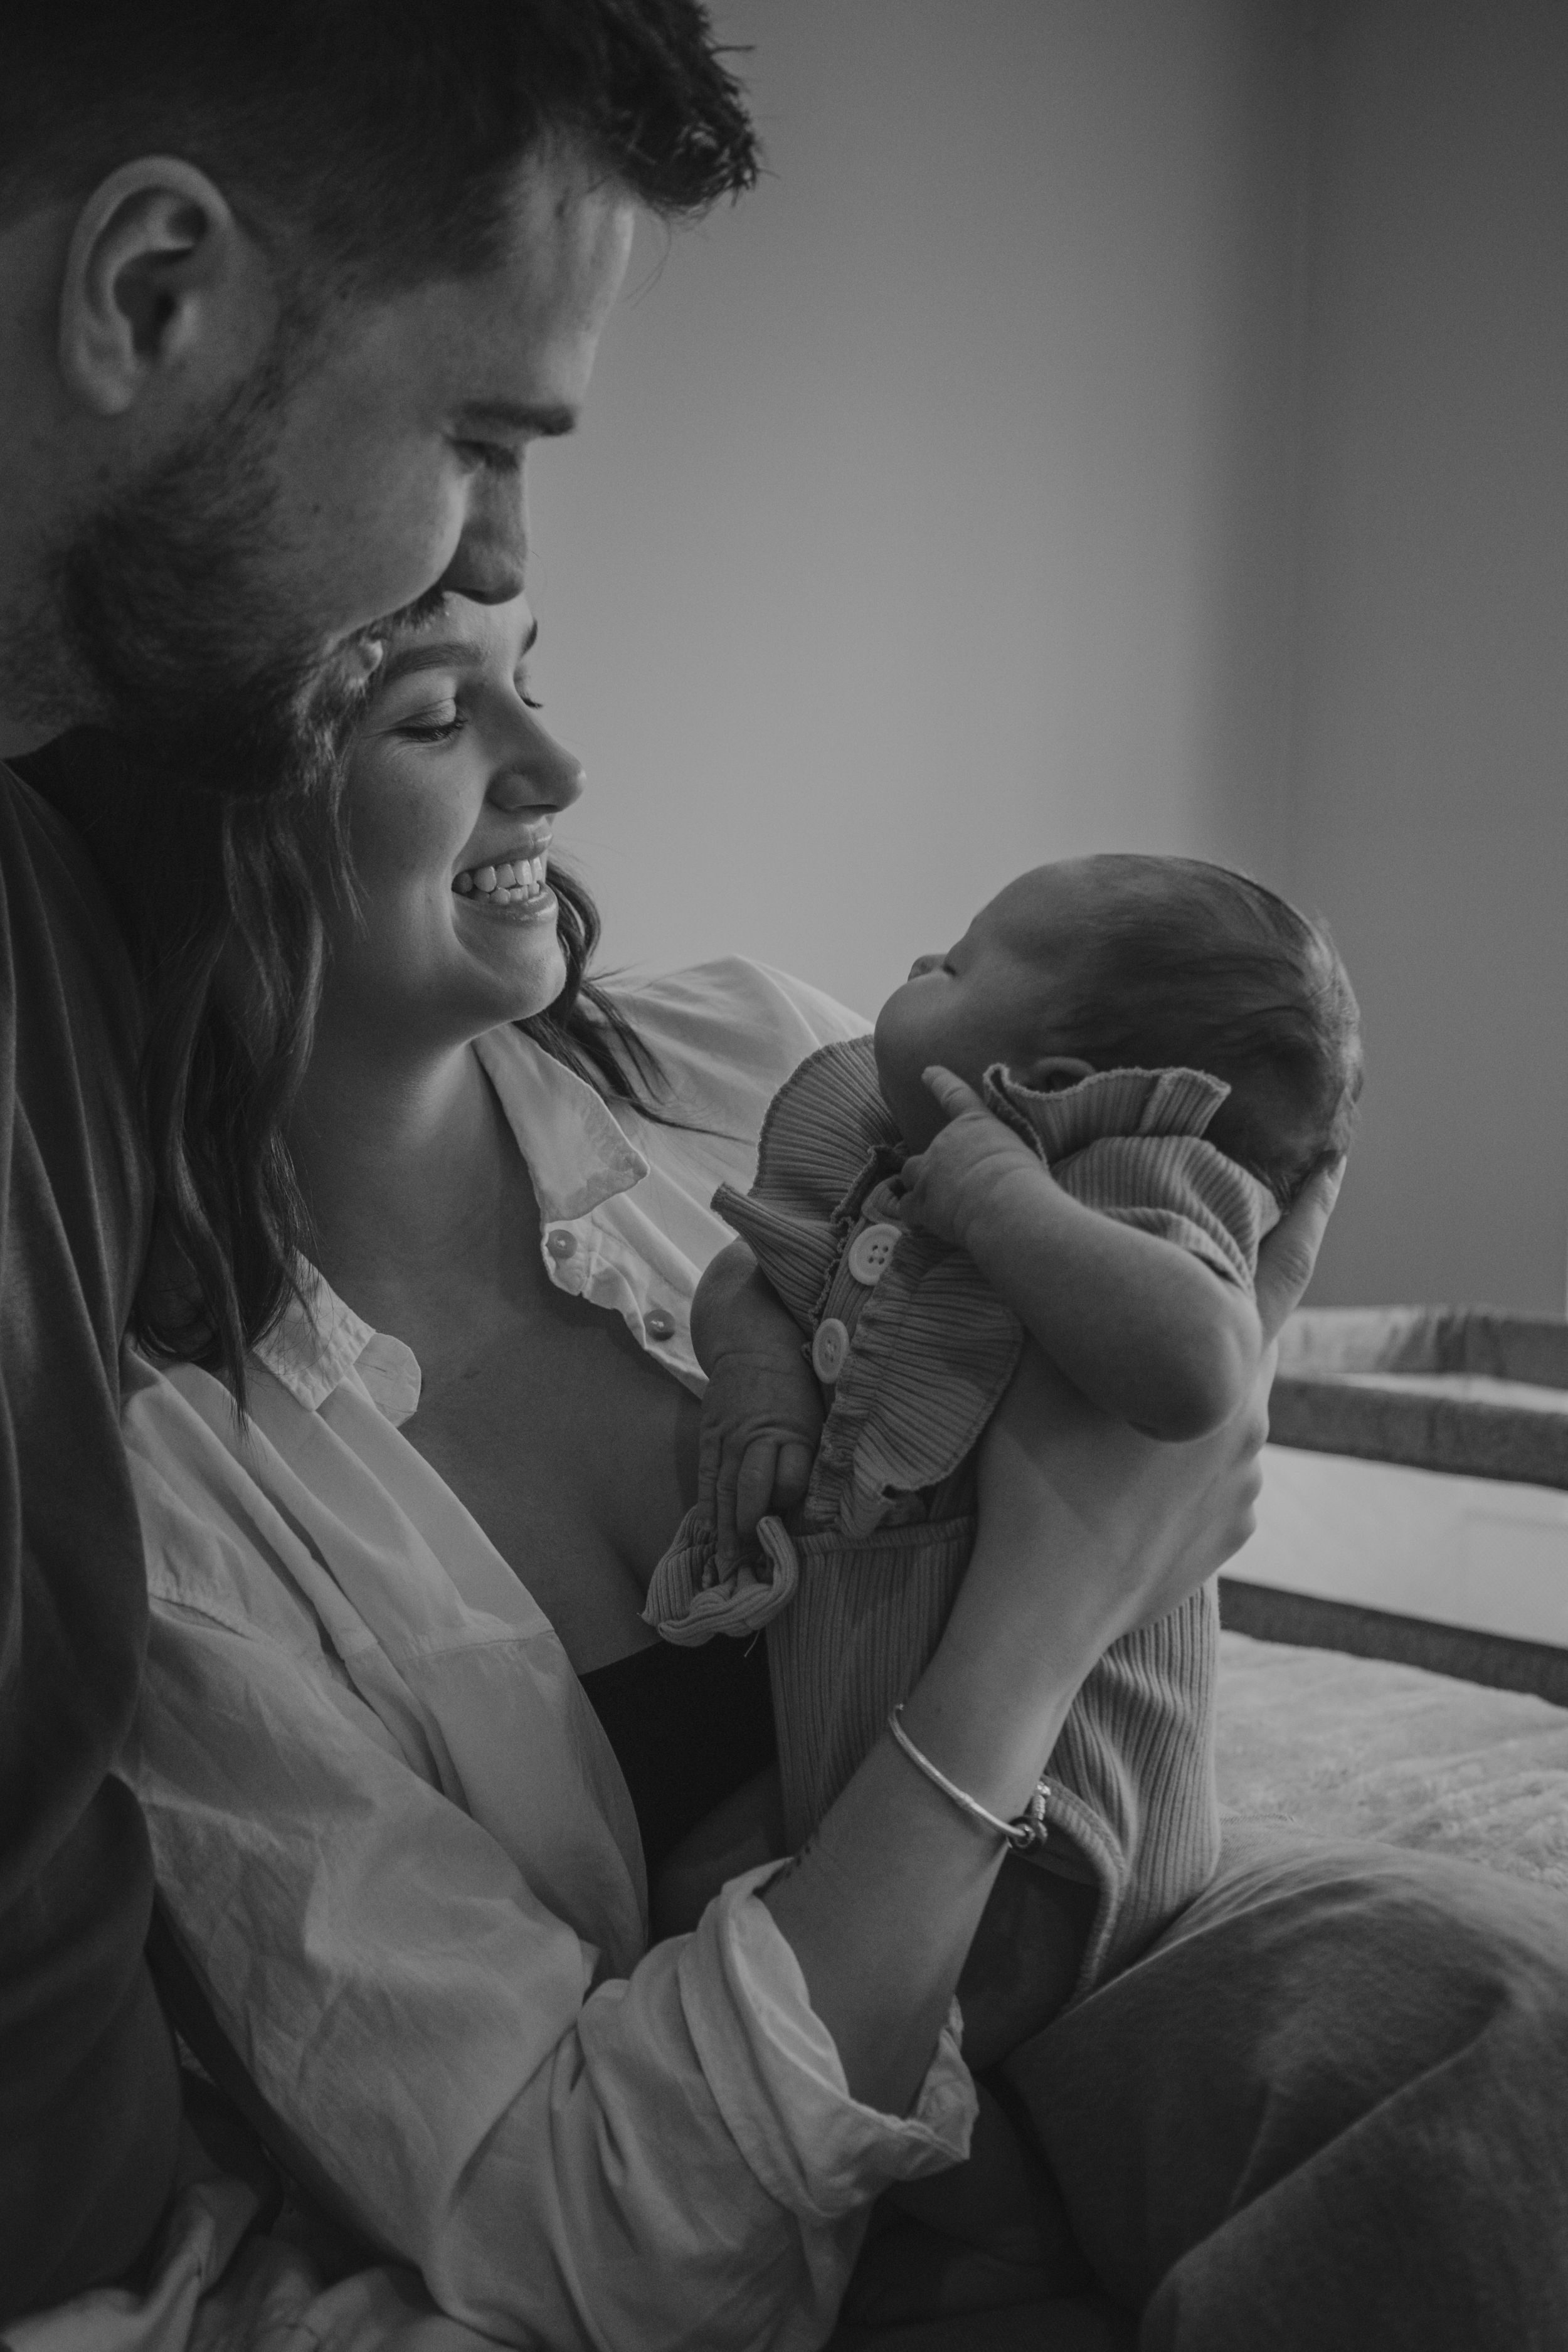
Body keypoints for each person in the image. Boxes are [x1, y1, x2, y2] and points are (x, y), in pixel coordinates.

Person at [59, 586, 1308, 2350]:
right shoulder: (173, 1487)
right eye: (435, 719)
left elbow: (1163, 1358)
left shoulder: (769, 1066)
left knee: (1484, 2006)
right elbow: (573, 2213)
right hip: (788, 2195)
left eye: (532, 687)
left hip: (1105, 1921)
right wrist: (1039, 1611)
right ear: (212, 835)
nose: (556, 769)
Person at [0, 3, 758, 2320]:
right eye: (482, 435)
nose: (498, 543)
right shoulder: (205, 1396)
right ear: (148, 292)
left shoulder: (42, 889)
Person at [646, 857, 1362, 2027]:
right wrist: (762, 1379)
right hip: (868, 1717)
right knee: (685, 1902)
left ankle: (993, 2196)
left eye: (959, 961)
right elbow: (749, 1271)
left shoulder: (1126, 1176)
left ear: (1051, 1082)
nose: (923, 963)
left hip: (1062, 1787)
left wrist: (998, 1196)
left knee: (940, 2017)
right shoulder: (879, 1161)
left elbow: (1200, 1366)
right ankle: (936, 2176)